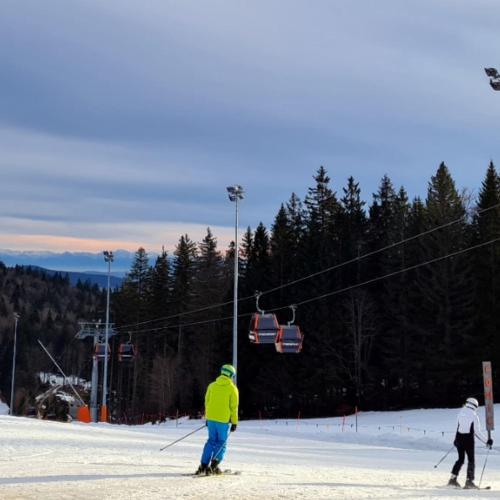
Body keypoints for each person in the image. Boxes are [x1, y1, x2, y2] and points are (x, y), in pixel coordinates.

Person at [195, 364, 239, 475]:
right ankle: (213, 466)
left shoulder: (212, 386)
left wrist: (208, 417)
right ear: (231, 375)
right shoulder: (232, 389)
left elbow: (207, 402)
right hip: (223, 421)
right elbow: (234, 408)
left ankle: (203, 466)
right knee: (221, 443)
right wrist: (234, 422)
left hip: (211, 420)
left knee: (211, 441)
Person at [448, 397, 493, 489]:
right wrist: (487, 441)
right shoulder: (473, 415)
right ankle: (469, 481)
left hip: (459, 439)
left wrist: (455, 440)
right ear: (475, 406)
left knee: (460, 459)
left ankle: (452, 479)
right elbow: (477, 432)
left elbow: (456, 427)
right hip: (468, 441)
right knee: (471, 460)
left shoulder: (460, 413)